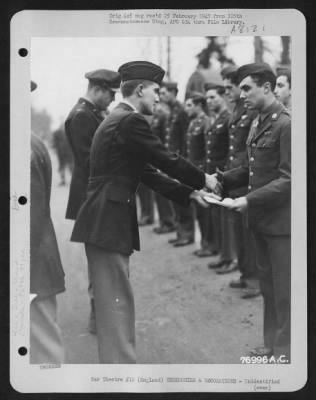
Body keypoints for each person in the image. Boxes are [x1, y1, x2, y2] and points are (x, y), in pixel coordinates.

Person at [71, 61, 218, 363]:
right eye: (156, 91)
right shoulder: (130, 121)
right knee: (116, 307)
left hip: (104, 220)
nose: (159, 97)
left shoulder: (118, 119)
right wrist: (204, 178)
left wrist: (188, 192)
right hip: (107, 222)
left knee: (115, 304)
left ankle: (119, 372)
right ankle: (120, 379)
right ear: (140, 90)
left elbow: (147, 172)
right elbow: (164, 158)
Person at [209, 63, 291, 360]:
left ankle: (285, 351)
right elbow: (250, 168)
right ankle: (271, 346)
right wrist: (222, 180)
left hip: (282, 226)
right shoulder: (258, 122)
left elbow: (290, 179)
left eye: (246, 88)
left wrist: (249, 200)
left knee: (284, 292)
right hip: (261, 222)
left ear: (266, 88)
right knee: (269, 289)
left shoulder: (286, 124)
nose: (240, 94)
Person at [65, 69, 120, 333]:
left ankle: (101, 316)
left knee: (102, 257)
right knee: (99, 259)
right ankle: (99, 319)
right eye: (110, 94)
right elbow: (90, 161)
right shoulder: (81, 117)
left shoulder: (90, 114)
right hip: (92, 196)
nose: (111, 100)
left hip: (94, 195)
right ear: (97, 89)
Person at [30, 80, 66, 363]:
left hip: (30, 266)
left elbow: (28, 219)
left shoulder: (22, 147)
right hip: (35, 262)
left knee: (43, 352)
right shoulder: (31, 141)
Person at [219, 65, 260, 298]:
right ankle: (245, 274)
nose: (227, 92)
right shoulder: (235, 111)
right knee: (238, 230)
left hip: (246, 176)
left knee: (248, 232)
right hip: (234, 175)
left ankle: (255, 280)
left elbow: (251, 147)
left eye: (229, 87)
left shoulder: (251, 110)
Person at [160, 81, 195, 247]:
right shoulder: (171, 111)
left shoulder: (181, 111)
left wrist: (183, 162)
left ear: (174, 92)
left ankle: (187, 234)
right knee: (175, 197)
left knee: (182, 198)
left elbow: (185, 138)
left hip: (180, 161)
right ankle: (180, 231)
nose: (161, 96)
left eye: (165, 92)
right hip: (172, 161)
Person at [204, 83, 233, 269]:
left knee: (226, 218)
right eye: (207, 98)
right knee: (217, 216)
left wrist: (226, 175)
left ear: (223, 97)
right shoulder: (216, 119)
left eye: (213, 97)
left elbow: (231, 149)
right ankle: (224, 255)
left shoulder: (228, 118)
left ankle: (230, 258)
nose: (209, 101)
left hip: (224, 174)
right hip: (213, 174)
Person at [184, 92, 215, 257]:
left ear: (198, 105)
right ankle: (204, 242)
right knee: (199, 210)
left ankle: (210, 244)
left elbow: (207, 151)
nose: (186, 108)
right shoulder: (193, 123)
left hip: (202, 171)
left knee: (205, 210)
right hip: (193, 171)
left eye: (189, 105)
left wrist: (204, 174)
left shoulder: (206, 122)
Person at [151, 103, 177, 234]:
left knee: (163, 192)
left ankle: (169, 222)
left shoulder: (163, 116)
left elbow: (166, 140)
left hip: (163, 159)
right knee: (158, 192)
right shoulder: (155, 116)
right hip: (157, 158)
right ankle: (164, 221)